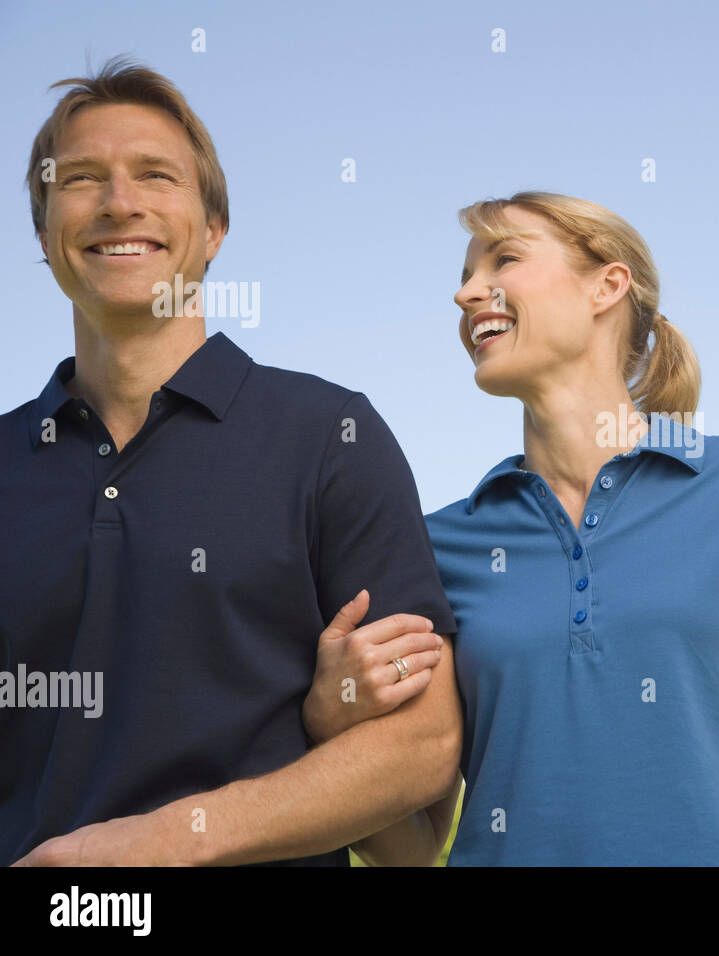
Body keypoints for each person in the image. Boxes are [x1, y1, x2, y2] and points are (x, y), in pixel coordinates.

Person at [303, 191, 719, 865]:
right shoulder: (439, 544)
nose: (468, 294)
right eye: (465, 277)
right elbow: (412, 847)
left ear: (607, 286)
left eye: (504, 259)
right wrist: (331, 722)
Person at [3, 56, 462, 867]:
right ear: (44, 236)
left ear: (214, 231)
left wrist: (163, 843)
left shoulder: (329, 435)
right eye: (80, 179)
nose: (119, 202)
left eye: (156, 175)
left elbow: (421, 748)